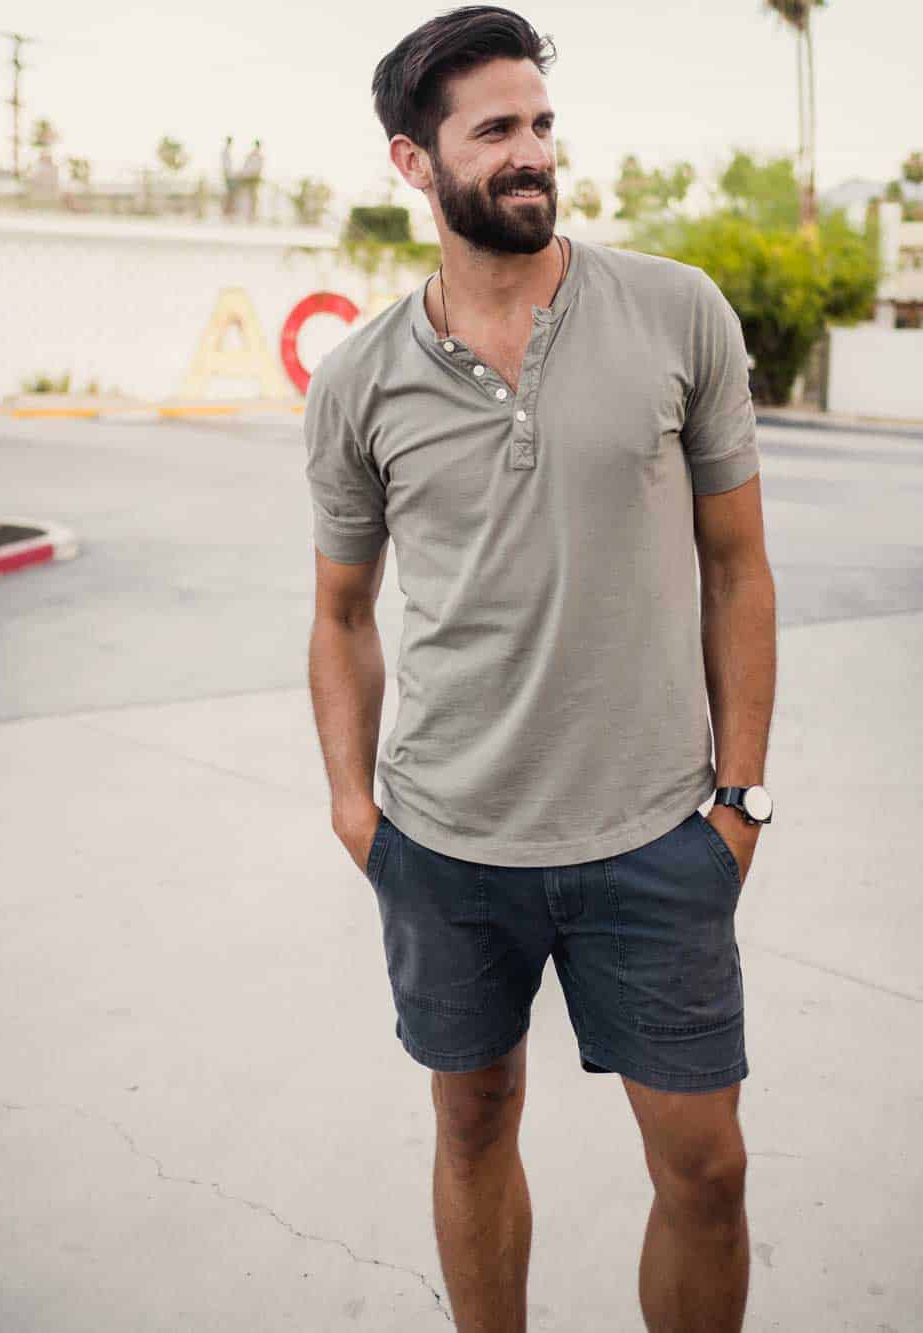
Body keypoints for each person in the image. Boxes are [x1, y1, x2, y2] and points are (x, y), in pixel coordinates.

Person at [303, 7, 776, 1331]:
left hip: (655, 835)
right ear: (414, 162)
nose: (532, 154)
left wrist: (737, 801)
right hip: (449, 843)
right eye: (495, 130)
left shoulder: (678, 311)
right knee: (473, 1122)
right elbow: (341, 614)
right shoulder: (358, 380)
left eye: (542, 124)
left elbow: (739, 568)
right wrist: (356, 806)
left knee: (708, 1169)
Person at [238, 137, 264, 221]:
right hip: (249, 178)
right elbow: (246, 166)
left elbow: (259, 169)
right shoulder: (251, 156)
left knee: (253, 196)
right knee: (249, 196)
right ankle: (249, 214)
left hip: (254, 178)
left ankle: (253, 214)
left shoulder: (259, 157)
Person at [221, 134, 237, 218]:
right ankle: (227, 211)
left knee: (230, 193)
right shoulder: (226, 152)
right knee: (230, 193)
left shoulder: (227, 151)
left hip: (229, 175)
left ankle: (228, 210)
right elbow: (226, 166)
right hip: (228, 176)